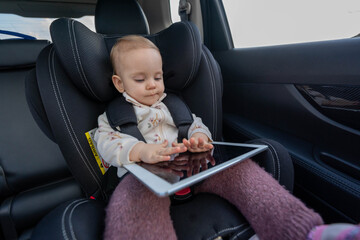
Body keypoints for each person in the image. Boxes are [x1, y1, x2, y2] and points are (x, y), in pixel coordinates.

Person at [94, 35, 323, 240]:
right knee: (132, 203)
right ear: (119, 83)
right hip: (145, 180)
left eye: (157, 76)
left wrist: (200, 139)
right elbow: (106, 143)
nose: (153, 85)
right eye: (140, 80)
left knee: (239, 171)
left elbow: (195, 124)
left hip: (192, 171)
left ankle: (302, 231)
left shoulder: (172, 106)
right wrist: (140, 151)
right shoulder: (114, 117)